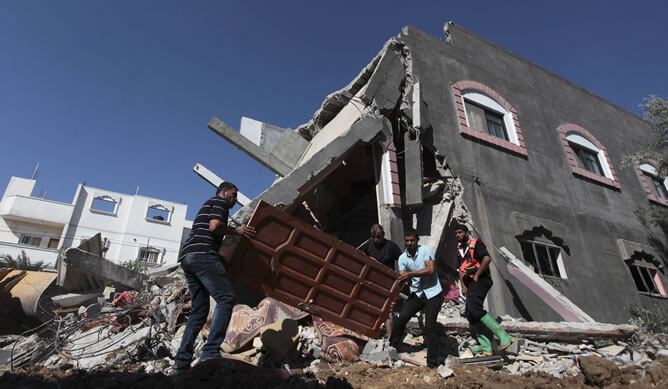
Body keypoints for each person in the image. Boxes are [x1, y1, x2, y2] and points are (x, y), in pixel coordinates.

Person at [173, 182, 256, 372]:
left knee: (199, 310)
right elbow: (215, 226)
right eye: (233, 195)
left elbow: (206, 231)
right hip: (202, 254)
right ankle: (210, 353)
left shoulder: (207, 205)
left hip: (188, 257)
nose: (234, 199)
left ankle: (181, 360)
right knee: (226, 298)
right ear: (223, 192)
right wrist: (237, 231)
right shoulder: (220, 203)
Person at [455, 223, 512, 355]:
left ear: (466, 232)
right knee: (470, 313)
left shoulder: (476, 243)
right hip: (471, 284)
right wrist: (463, 286)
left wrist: (477, 274)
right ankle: (485, 346)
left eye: (460, 232)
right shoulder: (459, 249)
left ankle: (504, 336)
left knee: (475, 308)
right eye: (456, 233)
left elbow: (487, 259)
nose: (458, 235)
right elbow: (461, 269)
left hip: (481, 280)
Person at [389, 228, 443, 368]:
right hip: (418, 293)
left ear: (417, 240)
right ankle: (393, 345)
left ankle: (433, 363)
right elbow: (402, 277)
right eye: (407, 241)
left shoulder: (426, 250)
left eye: (412, 240)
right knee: (402, 318)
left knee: (430, 326)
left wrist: (410, 274)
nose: (409, 243)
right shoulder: (402, 258)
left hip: (433, 293)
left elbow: (430, 270)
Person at [359, 224, 403, 334]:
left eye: (378, 237)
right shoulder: (368, 246)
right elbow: (359, 259)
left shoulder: (391, 246)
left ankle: (391, 337)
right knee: (371, 307)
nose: (376, 240)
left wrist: (401, 276)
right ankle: (371, 331)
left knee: (387, 309)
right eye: (373, 237)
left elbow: (402, 260)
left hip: (388, 283)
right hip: (371, 282)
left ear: (383, 235)